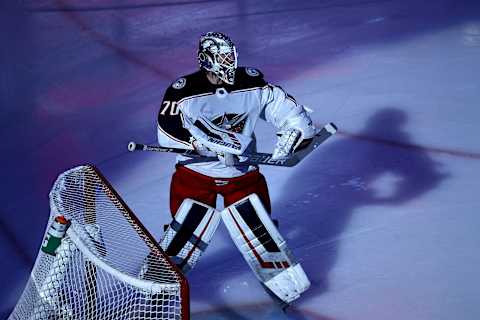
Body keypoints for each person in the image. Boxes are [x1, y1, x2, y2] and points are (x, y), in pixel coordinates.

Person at [157, 32, 314, 305]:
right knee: (184, 230)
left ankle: (280, 281)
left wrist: (295, 130)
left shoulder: (251, 82)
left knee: (258, 226)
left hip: (242, 173)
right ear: (206, 60)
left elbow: (283, 107)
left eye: (231, 56)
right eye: (223, 58)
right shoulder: (183, 91)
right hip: (196, 173)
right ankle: (158, 284)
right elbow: (166, 129)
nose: (229, 62)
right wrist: (197, 143)